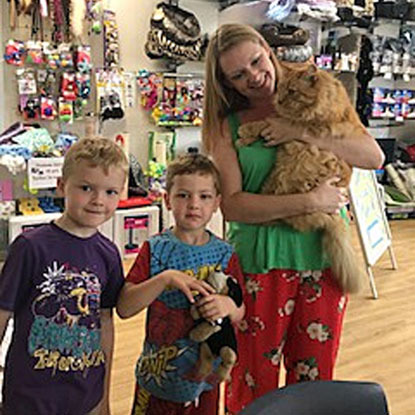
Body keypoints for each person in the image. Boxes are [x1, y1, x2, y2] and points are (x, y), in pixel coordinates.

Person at [202, 23, 385, 414]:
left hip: (322, 258)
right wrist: (308, 200)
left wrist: (300, 131)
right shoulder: (227, 124)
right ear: (226, 82)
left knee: (316, 382)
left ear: (268, 50)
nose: (253, 76)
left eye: (255, 60)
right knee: (253, 381)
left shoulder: (317, 91)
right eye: (238, 74)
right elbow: (232, 206)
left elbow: (373, 157)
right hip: (259, 262)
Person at [0, 138, 129, 415]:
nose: (98, 201)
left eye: (110, 192)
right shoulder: (30, 247)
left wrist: (104, 396)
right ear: (61, 186)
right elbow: (2, 314)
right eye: (86, 188)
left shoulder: (109, 254)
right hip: (29, 397)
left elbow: (105, 323)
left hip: (85, 396)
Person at [117, 153, 245, 415]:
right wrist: (165, 279)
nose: (194, 204)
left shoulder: (225, 253)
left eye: (204, 196)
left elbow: (240, 311)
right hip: (158, 377)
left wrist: (227, 305)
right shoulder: (155, 249)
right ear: (167, 200)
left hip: (204, 381)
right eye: (183, 195)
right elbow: (125, 307)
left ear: (217, 203)